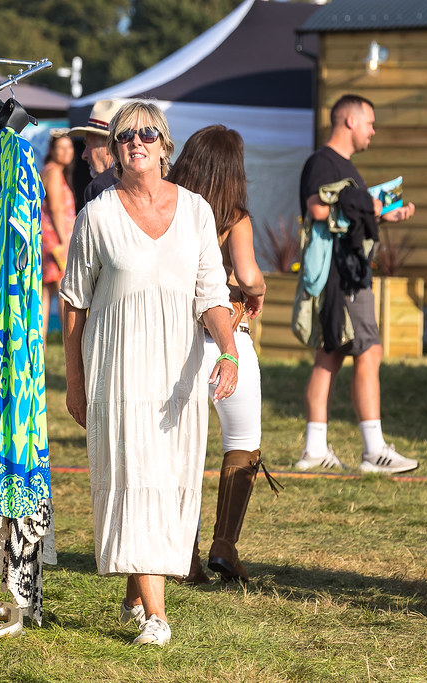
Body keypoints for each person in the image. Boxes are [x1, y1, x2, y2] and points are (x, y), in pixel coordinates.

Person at [60, 101, 237, 646]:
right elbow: (74, 303)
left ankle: (135, 593)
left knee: (170, 482)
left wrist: (228, 349)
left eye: (145, 134)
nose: (134, 142)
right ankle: (158, 617)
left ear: (166, 145)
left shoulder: (198, 213)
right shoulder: (98, 215)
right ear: (113, 150)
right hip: (117, 368)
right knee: (135, 479)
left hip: (178, 371)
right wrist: (73, 381)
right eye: (123, 136)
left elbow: (211, 293)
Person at [167, 125, 271, 584]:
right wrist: (259, 291)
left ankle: (183, 553)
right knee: (242, 440)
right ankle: (224, 545)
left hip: (179, 339)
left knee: (180, 448)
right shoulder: (234, 216)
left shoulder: (169, 206)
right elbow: (248, 276)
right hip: (229, 338)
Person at [295, 94, 418, 474]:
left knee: (330, 355)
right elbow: (317, 207)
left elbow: (347, 214)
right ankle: (374, 449)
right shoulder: (323, 162)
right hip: (343, 275)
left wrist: (384, 215)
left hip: (343, 272)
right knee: (370, 351)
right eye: (370, 122)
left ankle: (314, 450)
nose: (373, 131)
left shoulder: (343, 166)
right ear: (349, 121)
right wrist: (371, 207)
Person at [40, 131, 76, 337]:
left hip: (49, 241)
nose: (66, 152)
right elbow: (55, 208)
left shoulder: (50, 170)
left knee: (46, 296)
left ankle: (39, 351)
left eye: (69, 147)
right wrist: (64, 242)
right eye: (61, 147)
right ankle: (68, 346)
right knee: (64, 296)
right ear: (52, 150)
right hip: (56, 241)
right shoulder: (53, 172)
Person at [69, 99, 119, 203]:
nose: (84, 155)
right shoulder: (151, 179)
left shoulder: (100, 186)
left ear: (110, 146)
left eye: (89, 145)